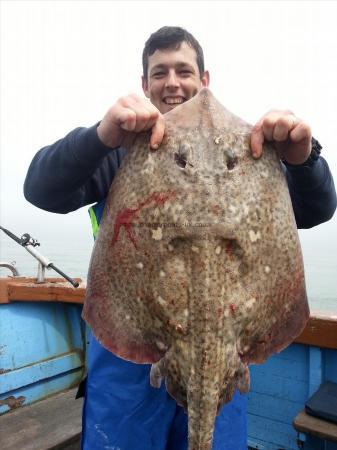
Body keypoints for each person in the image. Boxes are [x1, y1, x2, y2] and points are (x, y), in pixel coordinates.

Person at [24, 26, 336, 450]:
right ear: (144, 84)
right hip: (129, 361)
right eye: (160, 72)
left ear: (204, 80)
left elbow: (317, 209)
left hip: (224, 361)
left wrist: (304, 158)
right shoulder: (121, 148)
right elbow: (41, 189)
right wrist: (100, 135)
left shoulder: (249, 152)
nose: (172, 82)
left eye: (183, 71)